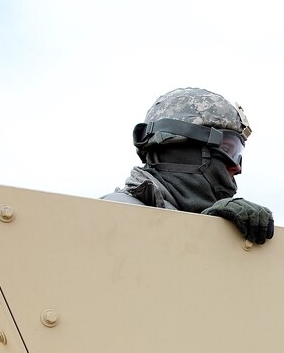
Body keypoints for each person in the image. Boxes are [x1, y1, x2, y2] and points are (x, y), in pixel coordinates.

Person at [102, 87, 274, 244]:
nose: (237, 168)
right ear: (181, 149)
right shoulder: (116, 213)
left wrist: (214, 235)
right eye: (227, 150)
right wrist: (199, 235)